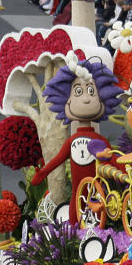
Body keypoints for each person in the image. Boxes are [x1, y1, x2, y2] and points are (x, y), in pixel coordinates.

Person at [29, 54, 122, 224]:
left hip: (97, 192)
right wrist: (42, 173)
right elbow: (58, 159)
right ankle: (73, 234)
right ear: (66, 101)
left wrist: (125, 168)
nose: (86, 98)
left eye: (92, 92)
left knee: (98, 213)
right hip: (77, 193)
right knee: (74, 209)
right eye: (78, 92)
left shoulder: (99, 140)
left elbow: (112, 160)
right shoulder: (72, 142)